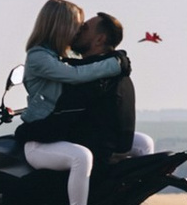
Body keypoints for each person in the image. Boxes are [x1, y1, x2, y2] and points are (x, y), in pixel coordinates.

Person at [13, 0, 123, 205]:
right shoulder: (38, 57)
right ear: (59, 25)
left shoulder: (61, 58)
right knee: (81, 157)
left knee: (140, 143)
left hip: (57, 137)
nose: (78, 31)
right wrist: (116, 62)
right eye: (75, 25)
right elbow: (77, 76)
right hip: (40, 143)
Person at [67, 12, 158, 159]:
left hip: (95, 151)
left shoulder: (90, 75)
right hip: (114, 146)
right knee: (144, 142)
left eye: (84, 29)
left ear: (99, 40)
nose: (77, 31)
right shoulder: (119, 71)